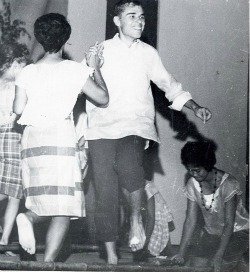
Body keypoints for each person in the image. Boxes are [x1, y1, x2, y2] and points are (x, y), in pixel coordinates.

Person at [85, 0, 212, 264]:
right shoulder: (100, 50)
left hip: (135, 125)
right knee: (105, 192)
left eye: (142, 17)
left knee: (132, 172)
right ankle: (111, 258)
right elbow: (84, 88)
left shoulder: (148, 53)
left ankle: (134, 220)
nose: (139, 22)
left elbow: (169, 85)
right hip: (100, 129)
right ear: (117, 21)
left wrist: (195, 107)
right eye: (132, 16)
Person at [13, 13, 108, 262]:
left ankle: (28, 218)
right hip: (59, 137)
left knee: (39, 199)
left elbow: (19, 109)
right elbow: (102, 98)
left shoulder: (27, 72)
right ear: (66, 39)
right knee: (63, 208)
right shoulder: (74, 70)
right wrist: (95, 68)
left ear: (40, 38)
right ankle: (47, 265)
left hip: (33, 139)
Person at [171, 141, 249, 272]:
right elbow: (190, 220)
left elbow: (229, 223)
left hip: (238, 233)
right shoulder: (192, 184)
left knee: (219, 266)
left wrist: (219, 255)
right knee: (195, 266)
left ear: (207, 164)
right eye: (190, 170)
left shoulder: (228, 183)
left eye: (197, 170)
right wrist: (181, 253)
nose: (193, 174)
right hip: (212, 233)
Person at [0, 42, 29, 256]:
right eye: (20, 64)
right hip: (13, 137)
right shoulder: (17, 87)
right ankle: (5, 240)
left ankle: (4, 239)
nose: (23, 69)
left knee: (7, 191)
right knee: (14, 194)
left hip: (3, 136)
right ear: (11, 64)